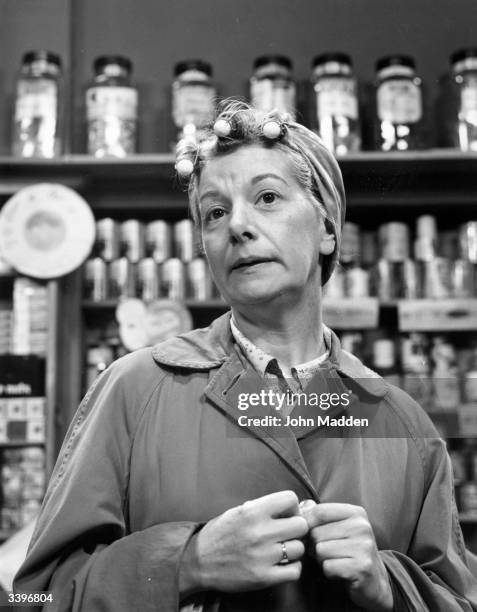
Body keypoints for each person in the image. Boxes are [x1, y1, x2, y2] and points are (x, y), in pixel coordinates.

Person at [14, 100, 477, 611]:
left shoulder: (405, 425)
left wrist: (391, 586)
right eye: (214, 212)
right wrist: (187, 564)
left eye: (268, 198)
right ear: (205, 248)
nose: (237, 225)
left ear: (327, 229)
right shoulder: (133, 389)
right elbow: (30, 597)